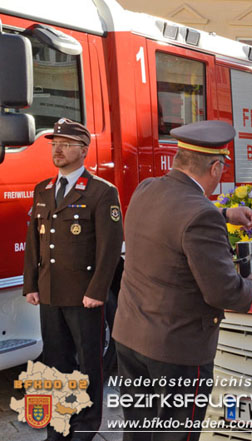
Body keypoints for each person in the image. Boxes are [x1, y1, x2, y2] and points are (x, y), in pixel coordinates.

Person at [112, 120, 252, 441]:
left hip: (130, 339)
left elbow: (174, 212)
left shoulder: (147, 189)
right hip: (176, 352)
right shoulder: (201, 215)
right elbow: (225, 292)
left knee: (138, 433)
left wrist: (225, 213)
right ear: (215, 167)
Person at [23, 118, 124, 441]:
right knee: (56, 362)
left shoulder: (101, 192)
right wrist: (31, 285)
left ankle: (86, 425)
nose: (58, 150)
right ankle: (60, 424)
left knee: (88, 363)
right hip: (50, 293)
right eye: (55, 144)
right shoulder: (44, 189)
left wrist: (98, 291)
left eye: (66, 144)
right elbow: (34, 243)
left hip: (84, 296)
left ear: (83, 151)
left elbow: (110, 249)